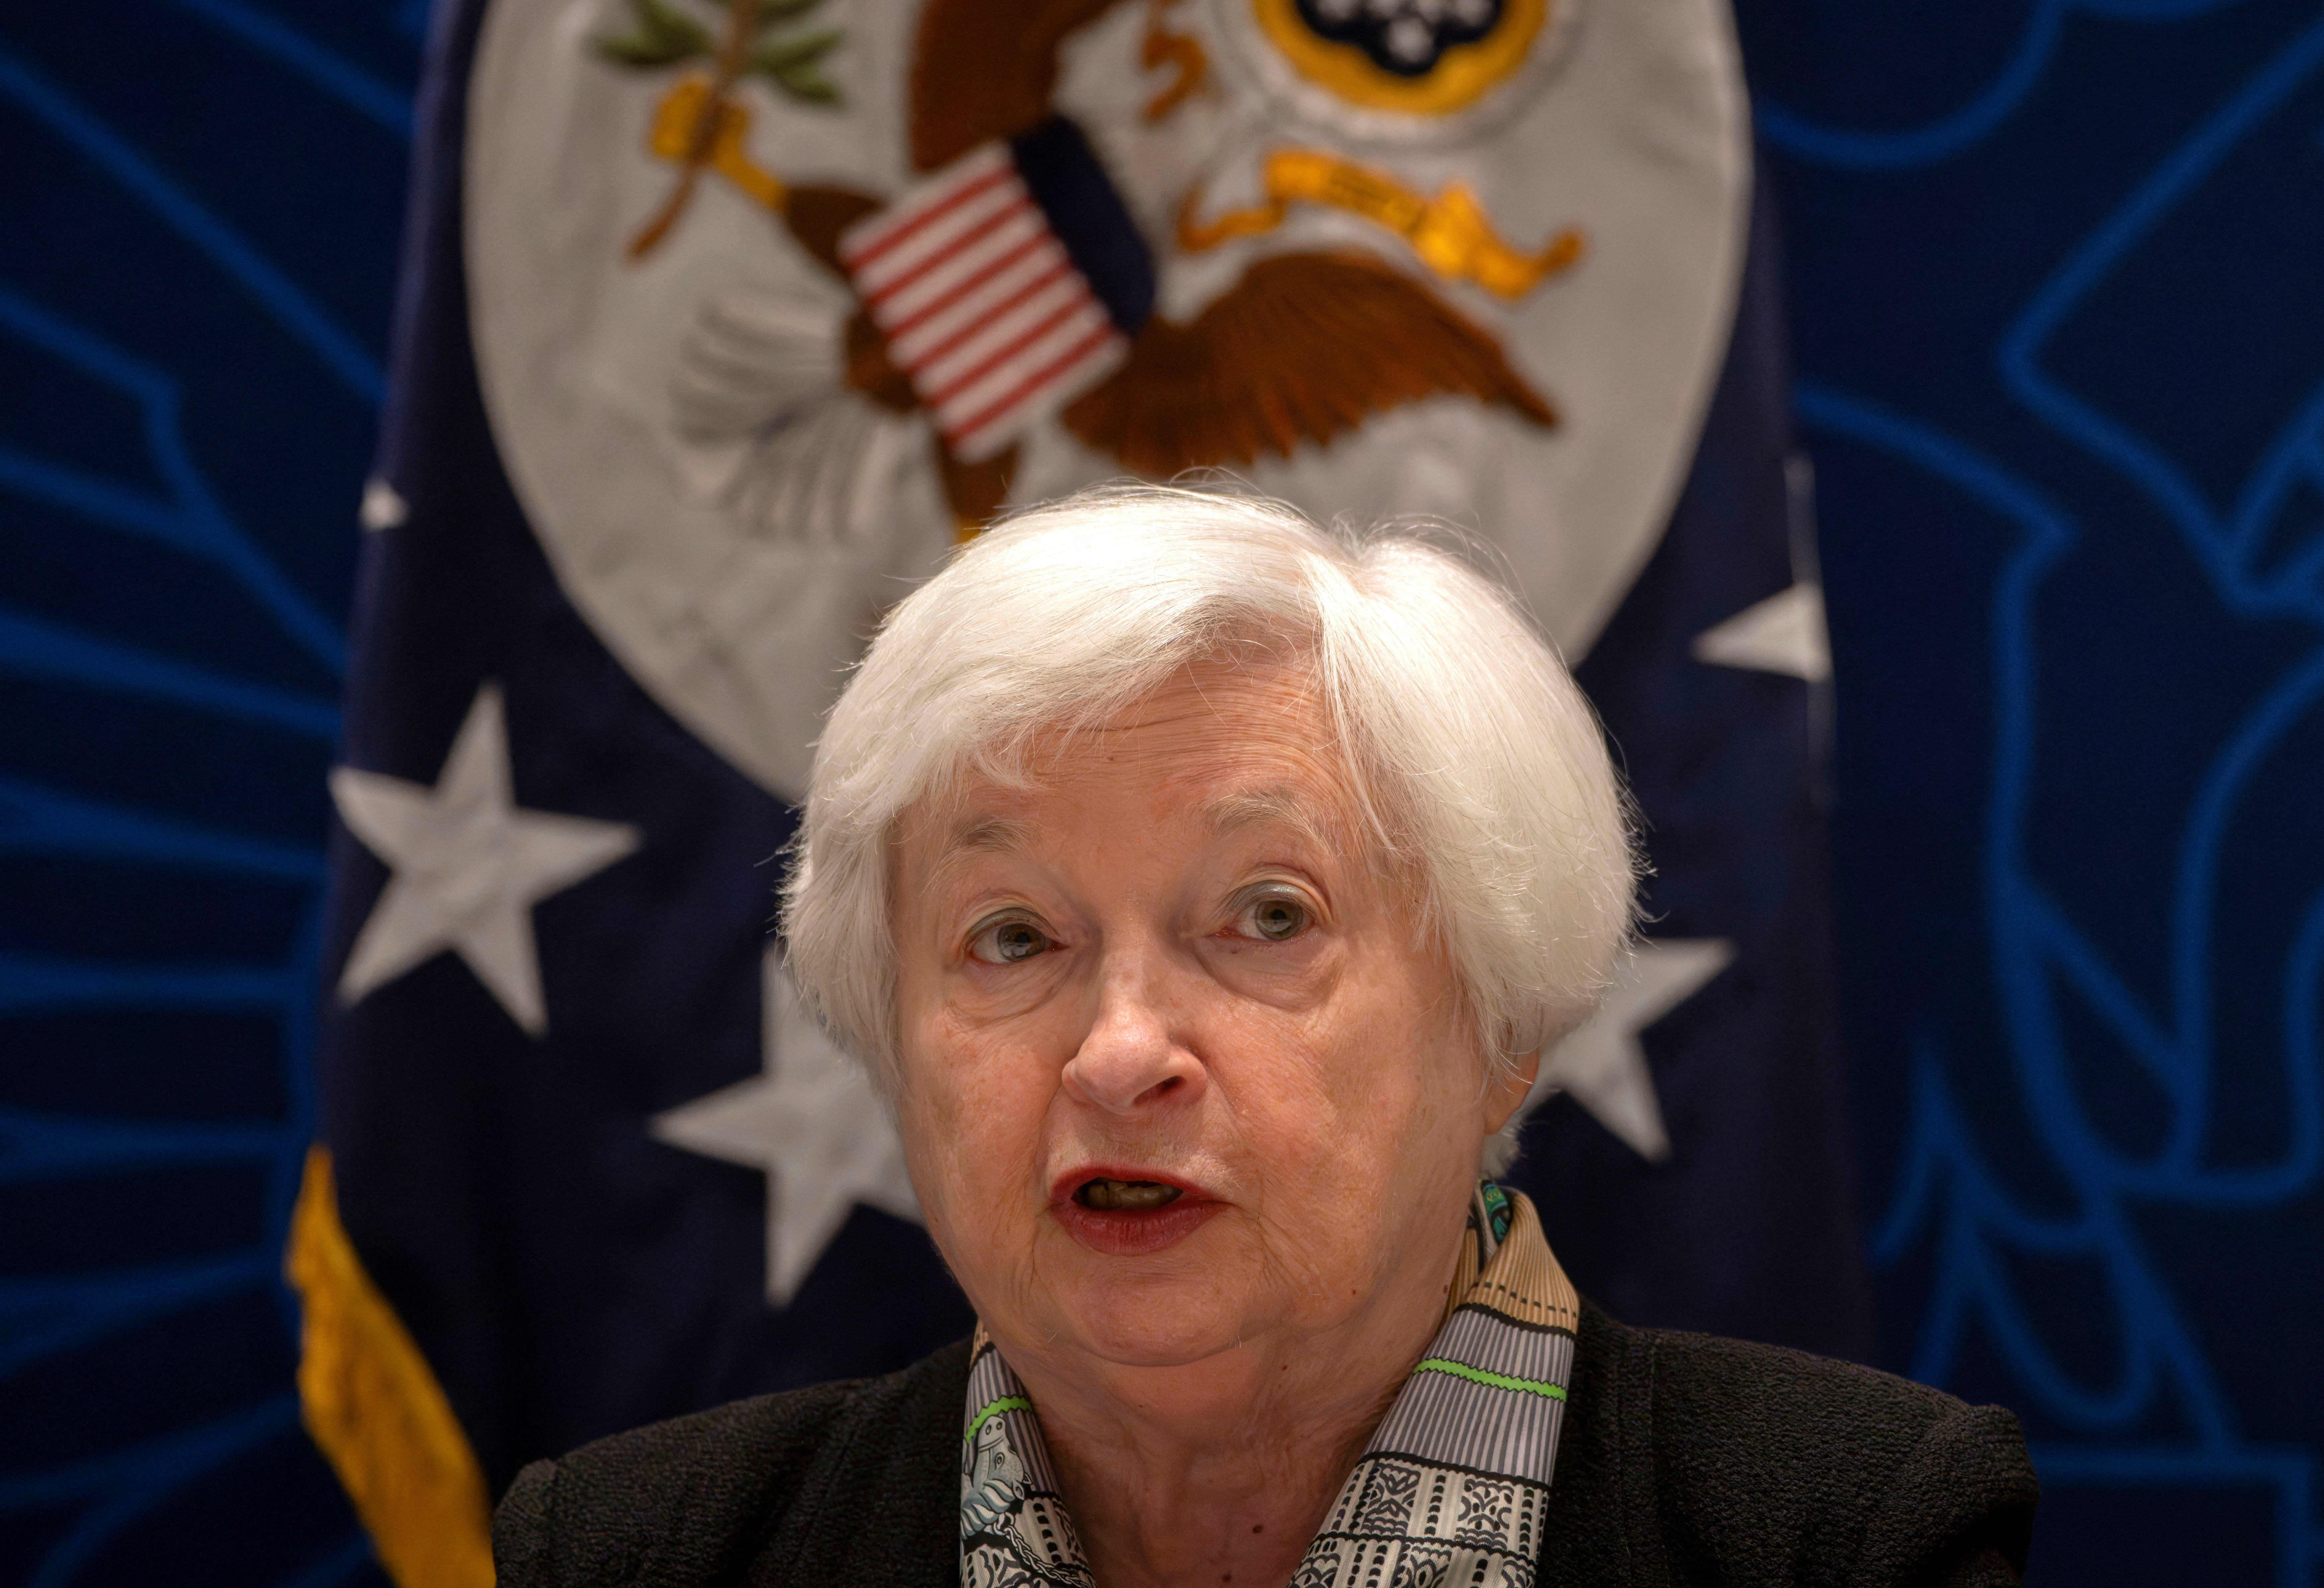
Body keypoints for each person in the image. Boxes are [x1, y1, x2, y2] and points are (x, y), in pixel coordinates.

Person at [493, 484, 2038, 1587]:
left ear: (1499, 1021)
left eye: (1269, 917)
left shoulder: (1848, 1540)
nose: (1119, 1054)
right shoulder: (638, 1555)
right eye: (1014, 938)